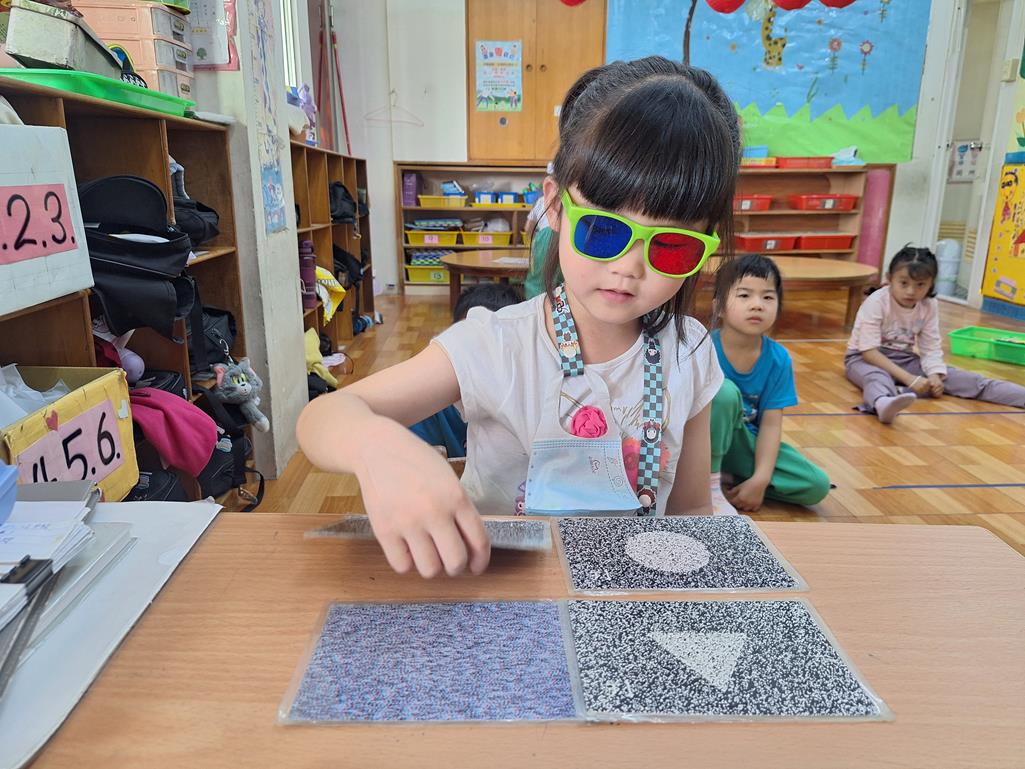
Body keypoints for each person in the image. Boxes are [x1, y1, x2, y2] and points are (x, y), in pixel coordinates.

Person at [297, 56, 740, 577]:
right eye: (603, 230)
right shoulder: (495, 345)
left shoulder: (689, 349)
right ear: (555, 208)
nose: (629, 267)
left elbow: (689, 513)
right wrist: (375, 446)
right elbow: (323, 416)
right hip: (497, 592)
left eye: (671, 246)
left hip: (626, 591)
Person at [846, 245, 1025, 423]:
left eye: (920, 285)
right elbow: (869, 352)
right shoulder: (877, 302)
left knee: (965, 379)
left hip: (904, 358)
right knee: (877, 377)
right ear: (889, 278)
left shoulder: (929, 305)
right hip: (863, 359)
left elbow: (930, 347)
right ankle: (882, 403)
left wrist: (934, 374)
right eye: (904, 283)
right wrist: (909, 379)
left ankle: (1020, 396)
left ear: (931, 284)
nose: (911, 291)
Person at [708, 255, 830, 515]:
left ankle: (732, 478)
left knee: (816, 485)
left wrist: (761, 480)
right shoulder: (703, 348)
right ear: (719, 307)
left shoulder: (778, 358)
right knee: (723, 393)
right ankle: (709, 482)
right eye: (744, 295)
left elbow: (771, 424)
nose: (757, 305)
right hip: (701, 444)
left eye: (767, 297)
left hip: (745, 444)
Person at [409, 282, 523, 458]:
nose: (480, 360)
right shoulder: (432, 403)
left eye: (494, 347)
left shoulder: (529, 398)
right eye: (471, 344)